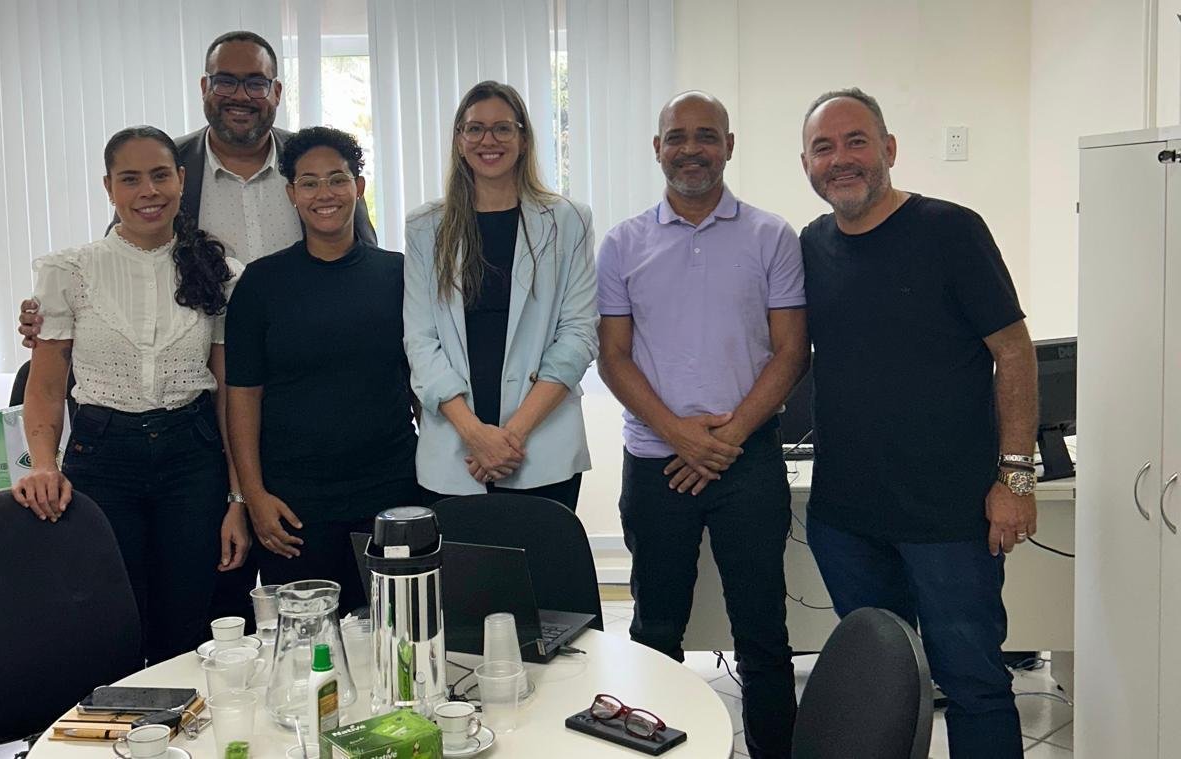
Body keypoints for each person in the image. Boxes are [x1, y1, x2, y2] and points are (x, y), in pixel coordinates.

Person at [16, 30, 378, 627]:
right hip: (208, 421)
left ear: (276, 92)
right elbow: (117, 288)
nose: (241, 94)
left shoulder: (312, 167)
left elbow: (357, 269)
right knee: (198, 604)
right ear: (204, 89)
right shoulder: (166, 165)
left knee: (295, 602)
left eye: (255, 81)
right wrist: (47, 319)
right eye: (226, 81)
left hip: (303, 420)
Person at [798, 87, 1038, 759]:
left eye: (856, 141)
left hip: (950, 517)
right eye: (824, 147)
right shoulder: (810, 246)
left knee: (974, 683)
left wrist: (1015, 477)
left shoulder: (950, 230)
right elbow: (791, 356)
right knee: (882, 684)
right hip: (847, 519)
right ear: (807, 164)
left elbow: (1013, 350)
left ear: (889, 149)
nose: (840, 159)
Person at [596, 91, 807, 759]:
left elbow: (791, 351)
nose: (692, 148)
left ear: (729, 145)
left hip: (747, 463)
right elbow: (613, 356)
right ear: (657, 148)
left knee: (763, 633)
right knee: (655, 629)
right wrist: (681, 434)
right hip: (656, 463)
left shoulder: (772, 235)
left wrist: (725, 437)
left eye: (706, 135)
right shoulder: (622, 242)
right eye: (677, 136)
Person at [12, 126, 248, 664]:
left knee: (186, 628)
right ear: (108, 188)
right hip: (102, 457)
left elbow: (229, 397)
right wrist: (43, 465)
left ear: (181, 180)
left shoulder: (220, 271)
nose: (149, 191)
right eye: (131, 179)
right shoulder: (68, 270)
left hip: (193, 458)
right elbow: (46, 383)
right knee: (110, 621)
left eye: (161, 175)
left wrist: (237, 498)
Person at [224, 127, 417, 614]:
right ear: (291, 193)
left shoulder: (399, 275)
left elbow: (422, 383)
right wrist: (254, 495)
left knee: (397, 636)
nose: (324, 194)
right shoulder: (261, 284)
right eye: (308, 183)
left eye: (337, 179)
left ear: (359, 187)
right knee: (309, 647)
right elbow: (242, 395)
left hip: (390, 490)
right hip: (293, 505)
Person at [403, 80, 597, 509]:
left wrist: (511, 437)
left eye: (503, 129)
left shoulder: (568, 220)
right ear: (458, 140)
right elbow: (420, 341)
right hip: (456, 448)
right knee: (461, 576)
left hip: (541, 446)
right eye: (474, 129)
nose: (488, 140)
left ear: (524, 139)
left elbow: (578, 336)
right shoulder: (424, 226)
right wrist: (476, 434)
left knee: (541, 574)